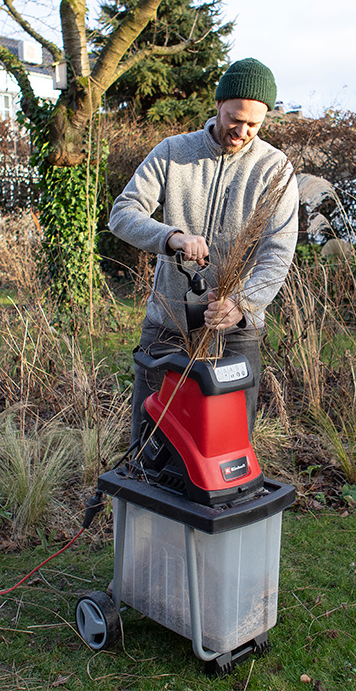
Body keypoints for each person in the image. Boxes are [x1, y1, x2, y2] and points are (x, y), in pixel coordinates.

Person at [108, 57, 299, 448]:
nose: (242, 131)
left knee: (225, 447)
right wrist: (171, 236)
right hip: (168, 324)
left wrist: (242, 303)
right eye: (235, 118)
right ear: (218, 105)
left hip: (236, 333)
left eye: (254, 124)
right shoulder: (173, 152)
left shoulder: (275, 169)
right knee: (150, 440)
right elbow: (122, 214)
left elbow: (278, 251)